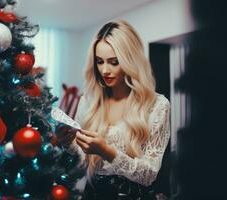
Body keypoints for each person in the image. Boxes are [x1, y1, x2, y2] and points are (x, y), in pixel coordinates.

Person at [55, 20, 170, 200]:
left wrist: (106, 151)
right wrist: (69, 144)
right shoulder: (88, 101)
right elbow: (84, 162)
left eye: (114, 62)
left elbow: (148, 175)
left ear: (130, 60)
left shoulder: (157, 105)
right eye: (99, 62)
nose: (105, 70)